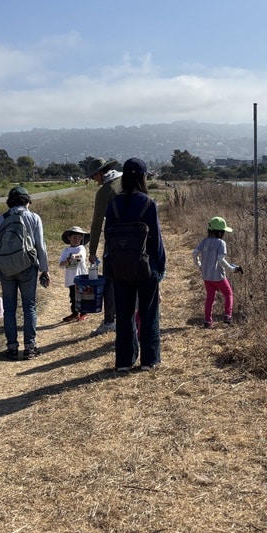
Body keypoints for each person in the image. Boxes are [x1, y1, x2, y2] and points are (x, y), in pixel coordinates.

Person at [104, 157, 166, 372]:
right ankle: (149, 360)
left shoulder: (113, 204)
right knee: (149, 314)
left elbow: (108, 237)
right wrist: (160, 269)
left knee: (124, 314)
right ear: (143, 177)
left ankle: (124, 360)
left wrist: (109, 266)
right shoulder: (148, 203)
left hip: (120, 267)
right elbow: (156, 240)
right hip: (146, 266)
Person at [0, 186, 50, 359]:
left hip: (5, 267)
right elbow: (40, 246)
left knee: (9, 308)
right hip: (27, 267)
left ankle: (12, 347)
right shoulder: (33, 218)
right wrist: (44, 269)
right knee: (29, 306)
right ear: (27, 200)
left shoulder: (1, 218)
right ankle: (30, 347)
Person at [87, 158, 121, 335]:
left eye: (93, 177)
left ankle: (110, 320)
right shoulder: (128, 181)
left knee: (110, 280)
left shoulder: (105, 191)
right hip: (140, 239)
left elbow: (96, 224)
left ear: (99, 173)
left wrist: (92, 251)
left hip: (115, 241)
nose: (94, 180)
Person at [192, 216, 243, 328]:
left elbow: (195, 253)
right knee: (228, 293)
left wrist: (199, 265)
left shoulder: (204, 241)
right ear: (220, 232)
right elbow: (221, 259)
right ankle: (227, 316)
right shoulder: (221, 243)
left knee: (210, 298)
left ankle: (207, 322)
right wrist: (231, 268)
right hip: (219, 276)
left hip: (206, 276)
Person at [58, 226, 90, 323]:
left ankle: (84, 313)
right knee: (73, 296)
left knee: (83, 295)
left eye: (78, 238)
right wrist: (67, 261)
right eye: (74, 237)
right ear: (69, 238)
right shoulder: (66, 251)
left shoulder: (81, 248)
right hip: (71, 278)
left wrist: (72, 258)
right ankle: (75, 313)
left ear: (81, 239)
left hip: (81, 276)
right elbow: (61, 264)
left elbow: (81, 257)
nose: (76, 240)